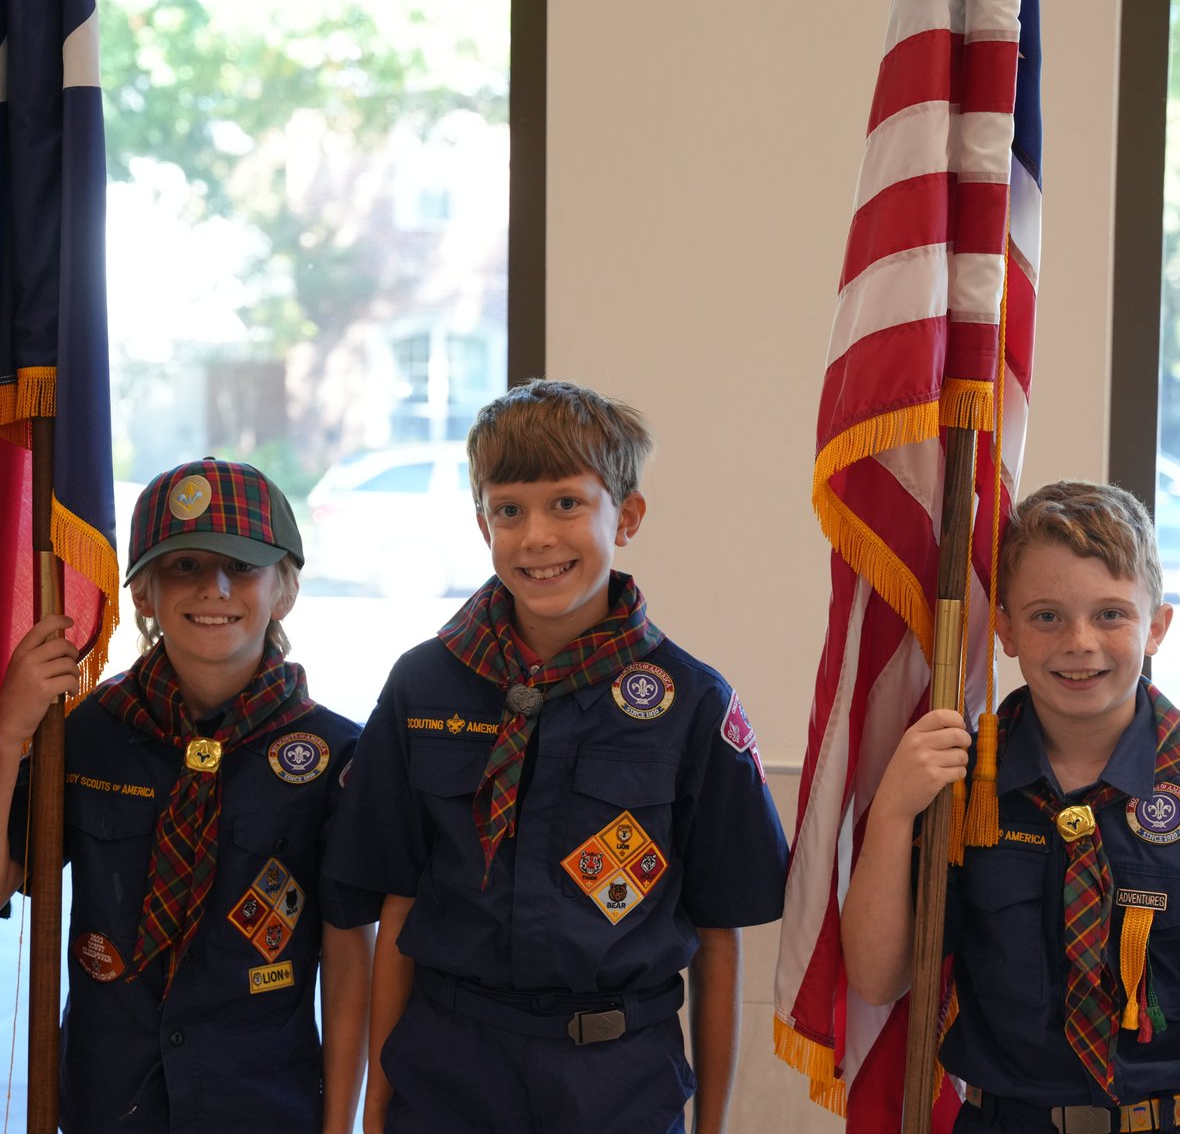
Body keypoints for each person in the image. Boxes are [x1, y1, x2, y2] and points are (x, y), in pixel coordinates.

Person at [325, 379, 790, 1134]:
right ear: (482, 523)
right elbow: (399, 903)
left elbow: (717, 935)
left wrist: (712, 1126)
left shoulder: (692, 703)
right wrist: (375, 1113)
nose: (536, 536)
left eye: (566, 503)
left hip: (618, 1081)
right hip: (449, 1072)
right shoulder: (424, 684)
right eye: (509, 510)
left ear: (626, 516)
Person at [1, 458, 376, 1134]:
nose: (214, 587)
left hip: (262, 1107)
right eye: (184, 566)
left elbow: (350, 960)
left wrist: (341, 1126)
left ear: (286, 589)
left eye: (242, 566)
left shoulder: (334, 756)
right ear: (143, 593)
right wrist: (8, 733)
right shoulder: (86, 732)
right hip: (107, 1104)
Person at [841, 480, 1180, 1131]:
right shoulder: (965, 781)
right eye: (1046, 616)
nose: (1080, 641)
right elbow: (877, 977)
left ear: (1157, 627)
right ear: (1005, 628)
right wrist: (893, 812)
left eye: (1111, 615)